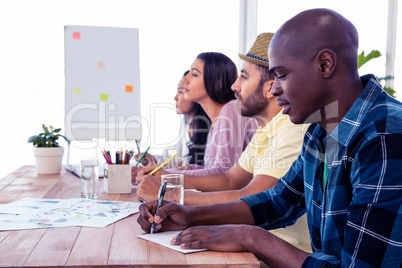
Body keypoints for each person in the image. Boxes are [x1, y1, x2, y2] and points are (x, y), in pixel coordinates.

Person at [136, 8, 402, 267]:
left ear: (325, 64)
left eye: (282, 75)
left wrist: (251, 237)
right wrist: (190, 215)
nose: (274, 89)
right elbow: (279, 202)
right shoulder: (320, 131)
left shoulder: (384, 137)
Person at [136, 33, 311, 252]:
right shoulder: (267, 127)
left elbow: (252, 195)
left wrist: (172, 196)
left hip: (273, 254)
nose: (234, 86)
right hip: (252, 245)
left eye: (244, 77)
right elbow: (229, 179)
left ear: (271, 86)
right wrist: (179, 205)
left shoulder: (293, 128)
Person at [139, 52, 258, 176]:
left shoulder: (232, 109)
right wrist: (184, 169)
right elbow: (213, 170)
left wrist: (164, 175)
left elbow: (222, 175)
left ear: (218, 82)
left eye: (194, 74)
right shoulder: (215, 123)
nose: (185, 80)